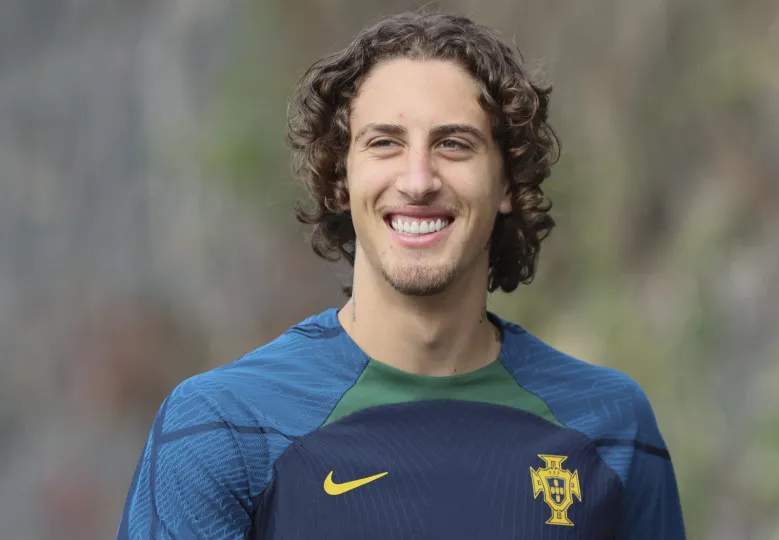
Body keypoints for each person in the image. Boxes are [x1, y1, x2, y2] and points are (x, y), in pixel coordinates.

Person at [118, 11, 685, 539]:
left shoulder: (611, 427)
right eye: (385, 143)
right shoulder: (222, 428)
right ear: (341, 180)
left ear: (508, 184)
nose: (418, 180)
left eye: (454, 144)